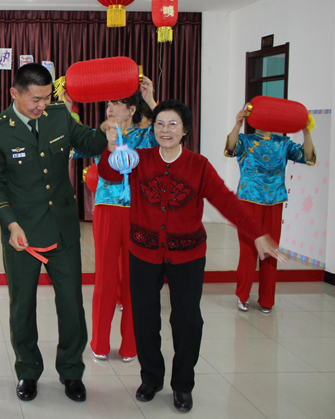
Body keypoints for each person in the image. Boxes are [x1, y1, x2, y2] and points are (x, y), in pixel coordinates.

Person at [97, 99, 284, 412]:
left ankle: (183, 385)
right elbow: (109, 173)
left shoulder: (199, 165)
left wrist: (257, 233)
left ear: (185, 130)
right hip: (143, 251)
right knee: (144, 319)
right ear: (153, 129)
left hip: (187, 255)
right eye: (159, 124)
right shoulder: (140, 159)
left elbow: (227, 201)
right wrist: (111, 146)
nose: (165, 130)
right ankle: (151, 378)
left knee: (187, 321)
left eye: (173, 124)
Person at [0, 63, 113, 403]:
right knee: (22, 306)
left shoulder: (58, 115)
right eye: (35, 99)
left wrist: (106, 131)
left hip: (62, 229)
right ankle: (28, 371)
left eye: (47, 98)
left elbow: (88, 142)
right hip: (21, 233)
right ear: (15, 94)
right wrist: (10, 224)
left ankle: (71, 370)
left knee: (71, 304)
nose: (42, 105)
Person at [71, 83, 157, 363]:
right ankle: (99, 342)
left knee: (135, 280)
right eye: (108, 103)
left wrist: (151, 100)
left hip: (138, 213)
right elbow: (72, 147)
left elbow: (168, 130)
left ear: (131, 110)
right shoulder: (100, 135)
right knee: (105, 278)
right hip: (107, 210)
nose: (109, 108)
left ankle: (131, 345)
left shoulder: (145, 135)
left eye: (116, 103)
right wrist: (67, 109)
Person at [225, 103, 316, 313]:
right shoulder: (246, 141)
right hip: (248, 201)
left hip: (274, 202)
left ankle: (267, 300)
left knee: (271, 252)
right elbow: (230, 148)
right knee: (248, 251)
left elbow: (308, 156)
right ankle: (243, 295)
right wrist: (237, 125)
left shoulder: (283, 143)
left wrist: (306, 131)